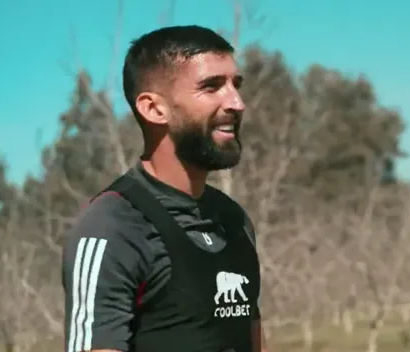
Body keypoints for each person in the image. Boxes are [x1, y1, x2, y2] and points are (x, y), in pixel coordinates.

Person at [62, 25, 267, 352]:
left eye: (235, 85)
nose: (237, 102)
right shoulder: (112, 227)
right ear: (154, 109)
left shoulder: (234, 219)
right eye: (211, 86)